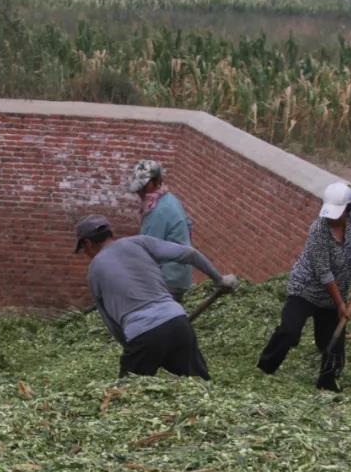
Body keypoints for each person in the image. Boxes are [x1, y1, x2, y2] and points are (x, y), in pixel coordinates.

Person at [75, 214, 238, 380]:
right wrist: (219, 280)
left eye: (83, 249)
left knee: (126, 395)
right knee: (198, 382)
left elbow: (110, 322)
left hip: (141, 334)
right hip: (177, 322)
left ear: (87, 243)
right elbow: (189, 254)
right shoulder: (139, 242)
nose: (85, 253)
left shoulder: (94, 271)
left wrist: (131, 346)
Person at [257, 182, 351, 392]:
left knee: (332, 343)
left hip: (335, 293)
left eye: (338, 213)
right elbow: (324, 273)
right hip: (305, 289)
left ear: (348, 210)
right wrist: (341, 304)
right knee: (290, 332)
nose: (332, 217)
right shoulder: (318, 230)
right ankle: (265, 368)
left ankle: (327, 383)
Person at [129, 160, 194, 303]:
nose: (140, 192)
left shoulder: (158, 211)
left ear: (156, 181)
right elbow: (189, 225)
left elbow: (148, 248)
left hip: (169, 278)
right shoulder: (169, 198)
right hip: (179, 273)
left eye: (144, 186)